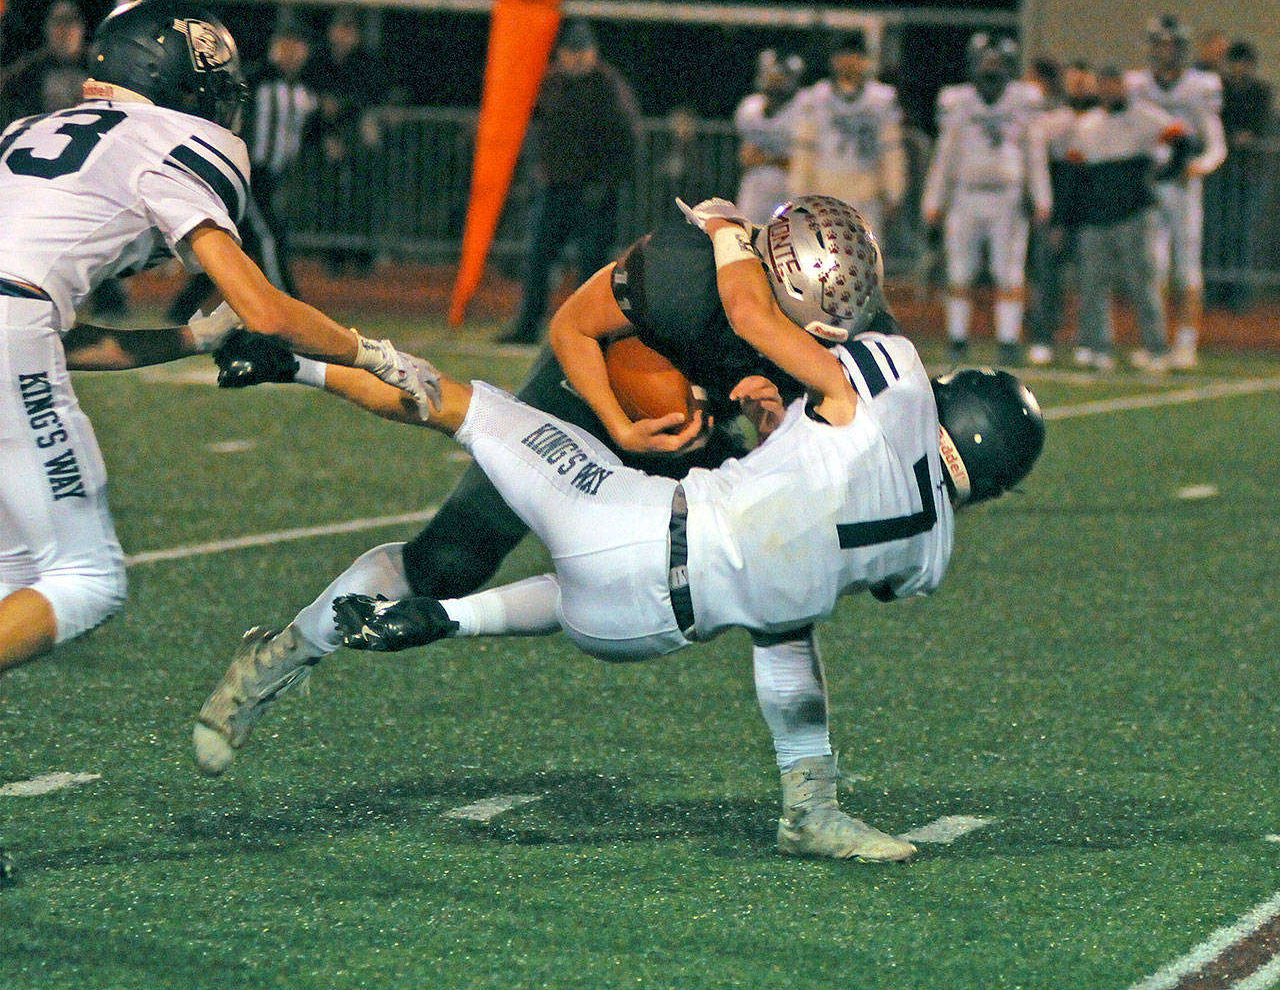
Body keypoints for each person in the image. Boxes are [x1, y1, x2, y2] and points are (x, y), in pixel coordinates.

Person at [196, 195, 1043, 862]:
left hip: (689, 480)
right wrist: (619, 419)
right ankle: (285, 655)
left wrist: (758, 420)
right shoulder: (685, 270)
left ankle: (298, 361)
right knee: (451, 560)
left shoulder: (858, 339)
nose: (828, 336)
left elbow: (810, 477)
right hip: (598, 390)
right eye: (811, 323)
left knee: (778, 577)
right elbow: (571, 327)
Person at [0, 0, 434, 677]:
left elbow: (56, 341)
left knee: (17, 576)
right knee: (86, 580)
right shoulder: (162, 141)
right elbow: (265, 310)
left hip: (15, 319)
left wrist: (195, 338)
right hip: (10, 322)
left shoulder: (33, 128)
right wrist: (373, 352)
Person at [497, 19, 642, 344]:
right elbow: (532, 128)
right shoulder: (550, 83)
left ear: (594, 52)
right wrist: (536, 173)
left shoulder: (607, 85)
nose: (576, 58)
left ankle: (589, 330)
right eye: (570, 52)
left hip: (595, 192)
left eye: (582, 51)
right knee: (537, 260)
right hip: (555, 187)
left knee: (592, 267)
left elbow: (628, 139)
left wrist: (607, 183)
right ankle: (528, 325)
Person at [168, 17, 316, 321]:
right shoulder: (256, 81)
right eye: (286, 44)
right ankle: (290, 305)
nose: (292, 52)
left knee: (235, 246)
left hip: (270, 177)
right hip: (247, 174)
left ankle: (182, 308)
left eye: (298, 46)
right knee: (269, 237)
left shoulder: (302, 90)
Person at [922, 33, 1051, 365]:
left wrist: (1041, 196)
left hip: (1007, 198)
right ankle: (958, 338)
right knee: (959, 270)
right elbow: (945, 155)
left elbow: (1034, 152)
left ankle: (1008, 341)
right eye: (985, 62)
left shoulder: (1024, 100)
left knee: (1008, 272)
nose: (990, 70)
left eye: (996, 63)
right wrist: (934, 199)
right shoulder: (958, 101)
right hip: (966, 195)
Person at [0, 0, 129, 318]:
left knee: (102, 234)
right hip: (39, 172)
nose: (64, 33)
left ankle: (109, 300)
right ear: (46, 30)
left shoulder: (101, 69)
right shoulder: (27, 73)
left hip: (94, 167)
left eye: (70, 25)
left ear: (82, 30)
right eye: (58, 25)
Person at [1068, 66, 1192, 372]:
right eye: (1105, 85)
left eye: (1115, 84)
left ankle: (1156, 348)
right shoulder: (1088, 125)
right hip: (1097, 215)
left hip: (1135, 213)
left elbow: (1182, 139)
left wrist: (1167, 174)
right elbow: (1076, 172)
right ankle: (1100, 347)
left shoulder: (1145, 116)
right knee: (1093, 285)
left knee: (1143, 284)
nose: (1111, 90)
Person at [1125, 16, 1226, 370]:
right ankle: (1156, 342)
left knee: (1186, 269)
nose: (1165, 52)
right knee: (1153, 267)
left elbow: (1216, 146)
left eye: (1171, 45)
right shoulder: (1137, 85)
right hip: (1149, 186)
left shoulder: (1199, 86)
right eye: (1159, 45)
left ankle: (1186, 342)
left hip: (1182, 188)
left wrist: (1197, 166)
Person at [787, 30, 906, 245]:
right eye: (843, 55)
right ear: (833, 60)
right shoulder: (815, 98)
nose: (849, 61)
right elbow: (804, 150)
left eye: (855, 55)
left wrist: (893, 191)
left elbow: (891, 149)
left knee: (868, 263)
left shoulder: (882, 99)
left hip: (867, 195)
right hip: (824, 196)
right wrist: (798, 195)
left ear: (865, 60)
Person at [306, 9, 392, 277]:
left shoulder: (365, 61)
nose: (343, 36)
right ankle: (334, 256)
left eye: (349, 30)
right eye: (339, 29)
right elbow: (312, 94)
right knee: (328, 197)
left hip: (357, 139)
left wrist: (341, 107)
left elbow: (372, 94)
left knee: (361, 197)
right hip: (327, 137)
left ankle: (362, 256)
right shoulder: (320, 61)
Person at [1025, 60, 1098, 365]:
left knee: (1091, 277)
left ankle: (1088, 340)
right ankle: (1042, 336)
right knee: (1046, 276)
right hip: (1059, 205)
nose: (1079, 86)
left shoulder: (1101, 119)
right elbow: (1041, 160)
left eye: (1084, 81)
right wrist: (1047, 207)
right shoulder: (1055, 121)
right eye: (1074, 81)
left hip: (1092, 208)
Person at [1207, 41, 1273, 311]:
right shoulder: (1219, 89)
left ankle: (1239, 294)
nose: (1239, 68)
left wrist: (1249, 136)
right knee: (1217, 227)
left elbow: (1262, 122)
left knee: (1243, 229)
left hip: (1248, 172)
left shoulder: (1260, 91)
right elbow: (1215, 119)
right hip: (1222, 170)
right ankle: (1214, 290)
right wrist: (1229, 136)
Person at [732, 49, 803, 223]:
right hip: (755, 188)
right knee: (748, 238)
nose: (775, 80)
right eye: (771, 74)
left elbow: (801, 163)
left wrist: (767, 158)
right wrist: (776, 160)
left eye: (781, 75)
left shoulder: (803, 109)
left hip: (791, 189)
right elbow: (746, 157)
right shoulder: (750, 108)